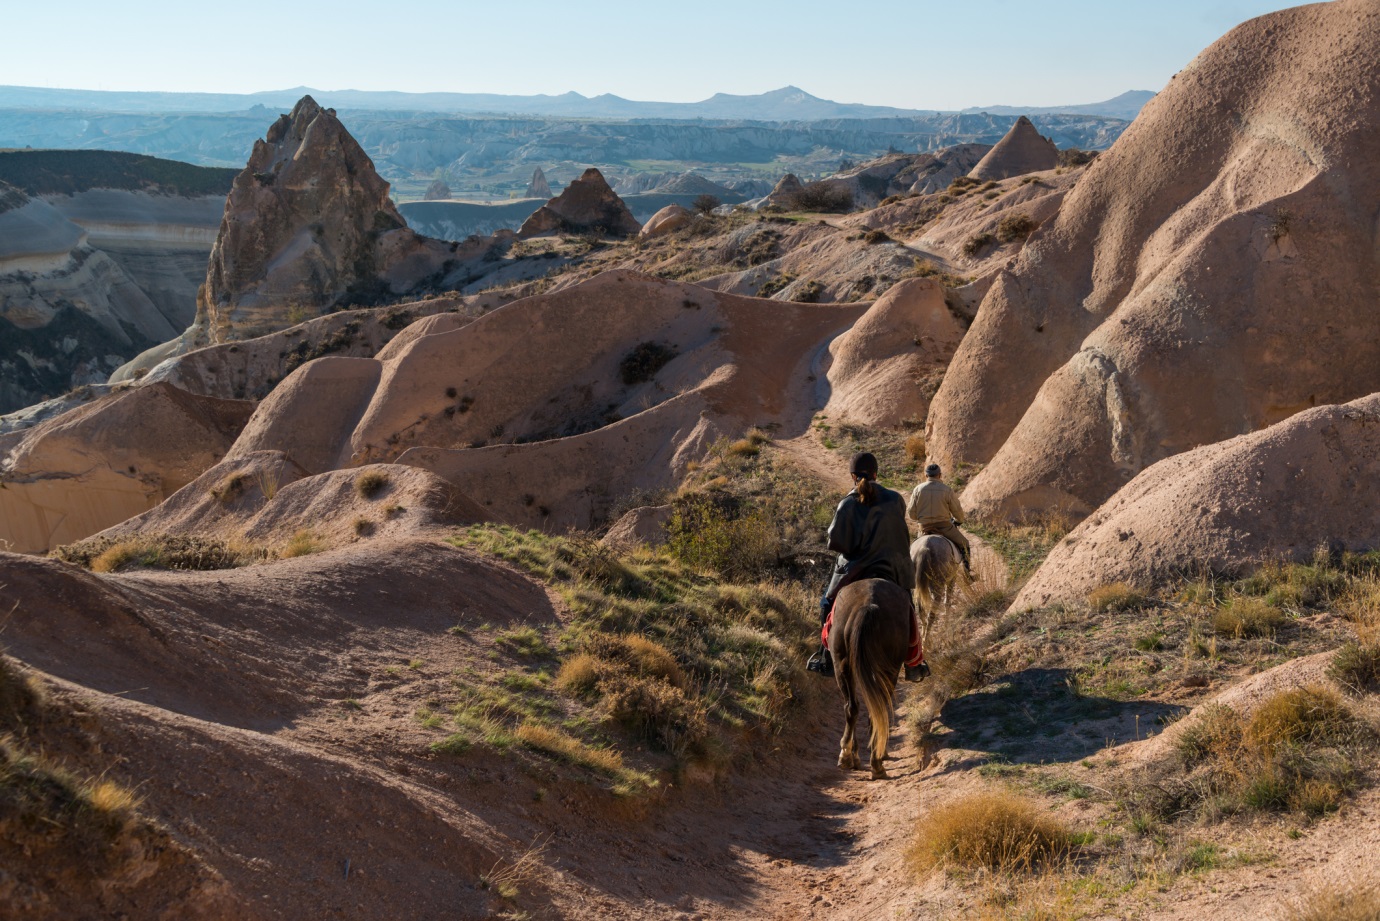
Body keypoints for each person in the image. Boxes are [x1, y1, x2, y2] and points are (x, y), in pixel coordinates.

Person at [808, 452, 929, 681]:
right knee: (907, 607)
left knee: (826, 603)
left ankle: (825, 657)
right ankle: (914, 663)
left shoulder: (848, 503)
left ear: (853, 476)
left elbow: (835, 541)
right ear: (876, 473)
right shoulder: (895, 499)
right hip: (893, 567)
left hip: (856, 568)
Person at [907, 462, 972, 579]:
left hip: (924, 528)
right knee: (965, 544)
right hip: (945, 527)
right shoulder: (947, 490)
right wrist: (959, 520)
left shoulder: (917, 489)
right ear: (940, 475)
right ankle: (967, 575)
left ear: (926, 475)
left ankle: (908, 578)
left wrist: (922, 518)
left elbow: (911, 514)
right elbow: (957, 511)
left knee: (911, 550)